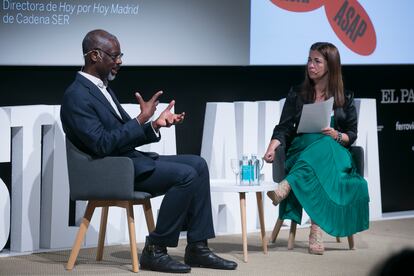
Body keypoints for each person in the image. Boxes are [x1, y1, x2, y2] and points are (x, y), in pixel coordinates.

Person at [60, 29, 237, 273]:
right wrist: (139, 120)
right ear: (94, 56)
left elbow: (121, 138)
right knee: (186, 176)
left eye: (120, 55)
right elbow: (101, 144)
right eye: (114, 55)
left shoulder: (103, 89)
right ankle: (155, 248)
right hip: (111, 171)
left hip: (127, 162)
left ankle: (198, 248)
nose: (119, 61)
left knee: (198, 164)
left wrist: (153, 125)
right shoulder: (76, 96)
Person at [263, 42, 369, 255]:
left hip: (336, 153)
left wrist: (336, 134)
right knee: (318, 144)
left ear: (330, 65)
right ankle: (316, 229)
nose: (310, 65)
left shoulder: (344, 97)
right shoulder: (297, 94)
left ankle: (288, 185)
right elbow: (283, 127)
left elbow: (352, 134)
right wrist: (272, 147)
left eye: (317, 61)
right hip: (301, 152)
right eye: (309, 60)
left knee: (326, 143)